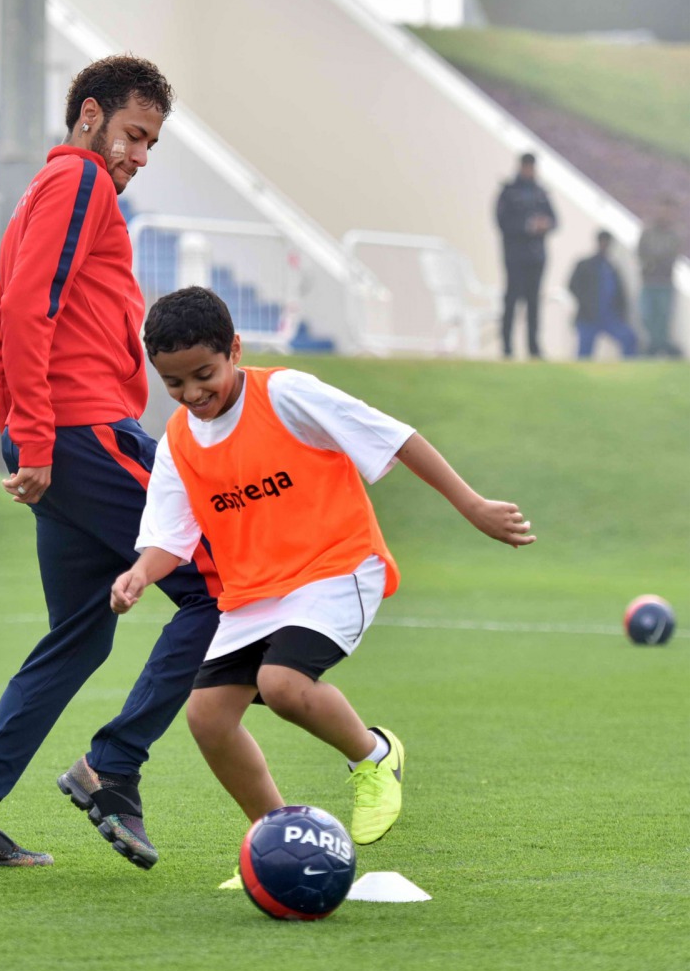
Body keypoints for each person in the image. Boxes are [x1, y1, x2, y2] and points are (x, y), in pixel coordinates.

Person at [109, 287, 536, 883]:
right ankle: (276, 843)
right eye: (174, 383)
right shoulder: (179, 441)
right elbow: (168, 537)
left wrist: (472, 504)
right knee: (208, 717)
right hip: (254, 595)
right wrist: (138, 574)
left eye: (204, 374)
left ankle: (374, 756)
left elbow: (396, 436)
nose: (192, 394)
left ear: (234, 349)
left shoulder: (286, 393)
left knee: (281, 684)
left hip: (337, 567)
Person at [0, 57, 221, 870]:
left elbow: (5, 327)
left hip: (71, 439)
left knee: (78, 639)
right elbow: (24, 311)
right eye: (134, 134)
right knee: (215, 587)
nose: (139, 156)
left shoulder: (48, 196)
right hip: (85, 437)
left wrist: (23, 436)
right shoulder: (80, 183)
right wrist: (37, 438)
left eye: (152, 143)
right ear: (89, 116)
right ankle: (111, 769)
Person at [495, 153, 558, 359]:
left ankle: (533, 347)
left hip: (536, 258)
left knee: (534, 302)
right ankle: (507, 346)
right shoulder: (509, 192)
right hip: (515, 257)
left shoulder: (540, 193)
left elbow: (555, 221)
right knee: (512, 300)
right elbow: (502, 222)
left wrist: (544, 225)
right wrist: (527, 226)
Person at [568, 231, 638, 360]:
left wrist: (621, 314)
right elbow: (573, 286)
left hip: (609, 317)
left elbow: (620, 295)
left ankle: (628, 370)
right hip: (588, 317)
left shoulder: (612, 268)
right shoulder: (585, 265)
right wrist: (586, 304)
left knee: (629, 338)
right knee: (584, 354)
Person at [637, 197, 683, 357]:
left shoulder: (673, 234)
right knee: (647, 316)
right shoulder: (648, 231)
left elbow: (670, 256)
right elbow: (641, 253)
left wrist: (654, 261)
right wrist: (652, 262)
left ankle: (657, 350)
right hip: (649, 282)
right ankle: (659, 348)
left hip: (664, 283)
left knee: (662, 320)